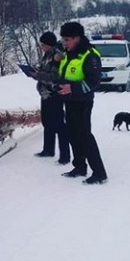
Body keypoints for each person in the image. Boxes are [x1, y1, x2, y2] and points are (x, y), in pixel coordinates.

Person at [56, 22, 108, 184]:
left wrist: (72, 88)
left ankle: (99, 173)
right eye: (63, 39)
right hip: (70, 101)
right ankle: (80, 166)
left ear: (77, 38)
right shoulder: (69, 52)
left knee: (85, 136)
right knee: (72, 134)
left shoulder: (90, 54)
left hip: (83, 102)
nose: (64, 43)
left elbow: (94, 81)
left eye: (67, 40)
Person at [30, 31, 71, 164]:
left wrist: (38, 75)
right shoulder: (47, 55)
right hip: (45, 94)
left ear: (49, 44)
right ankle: (48, 149)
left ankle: (65, 156)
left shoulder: (58, 56)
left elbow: (55, 78)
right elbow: (44, 69)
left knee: (59, 125)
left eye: (43, 44)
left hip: (55, 94)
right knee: (47, 123)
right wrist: (34, 72)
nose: (41, 47)